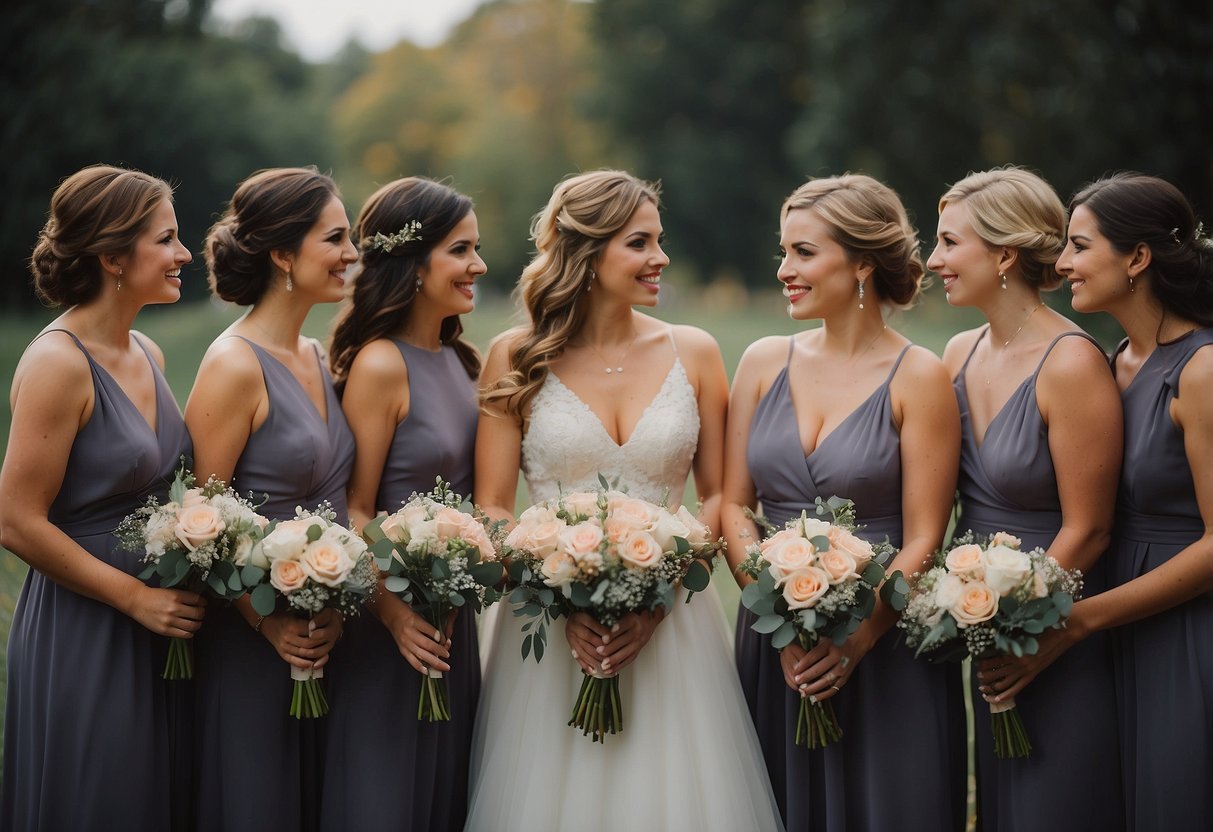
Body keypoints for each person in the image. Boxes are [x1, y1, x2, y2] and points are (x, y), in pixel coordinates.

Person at [466, 170, 782, 831]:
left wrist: (661, 593)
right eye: (639, 243)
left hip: (673, 628)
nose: (659, 258)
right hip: (548, 636)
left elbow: (719, 494)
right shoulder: (514, 356)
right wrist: (557, 592)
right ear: (586, 253)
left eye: (658, 241)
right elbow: (493, 507)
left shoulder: (692, 352)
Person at [724, 173, 965, 831]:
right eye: (784, 252)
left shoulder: (918, 375)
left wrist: (854, 641)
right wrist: (775, 621)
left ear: (861, 262)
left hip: (882, 651)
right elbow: (733, 509)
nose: (783, 270)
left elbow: (923, 537)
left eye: (802, 253)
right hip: (772, 646)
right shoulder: (761, 361)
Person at [982, 172, 1213, 830]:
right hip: (1114, 628)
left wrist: (1077, 620)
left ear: (1136, 258)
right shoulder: (1115, 361)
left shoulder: (1199, 370)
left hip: (1182, 631)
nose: (1060, 264)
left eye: (1079, 247)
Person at [0, 165, 199, 831]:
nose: (184, 254)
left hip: (159, 624)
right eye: (167, 240)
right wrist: (134, 598)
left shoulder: (146, 350)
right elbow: (15, 520)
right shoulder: (57, 363)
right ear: (113, 257)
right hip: (88, 625)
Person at [931, 167, 1124, 830]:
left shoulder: (1070, 361)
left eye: (948, 243)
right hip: (984, 628)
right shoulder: (956, 353)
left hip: (1056, 633)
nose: (933, 261)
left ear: (1003, 254)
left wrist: (1027, 628)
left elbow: (1090, 528)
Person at [185, 167, 357, 832]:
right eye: (335, 238)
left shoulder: (315, 354)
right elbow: (199, 522)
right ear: (283, 255)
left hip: (323, 637)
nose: (351, 254)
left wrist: (334, 601)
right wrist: (267, 623)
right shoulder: (233, 364)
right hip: (252, 645)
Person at [320, 177, 486, 831]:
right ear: (414, 266)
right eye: (461, 250)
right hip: (388, 628)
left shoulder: (458, 361)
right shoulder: (382, 364)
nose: (477, 265)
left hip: (451, 622)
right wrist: (391, 610)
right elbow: (352, 508)